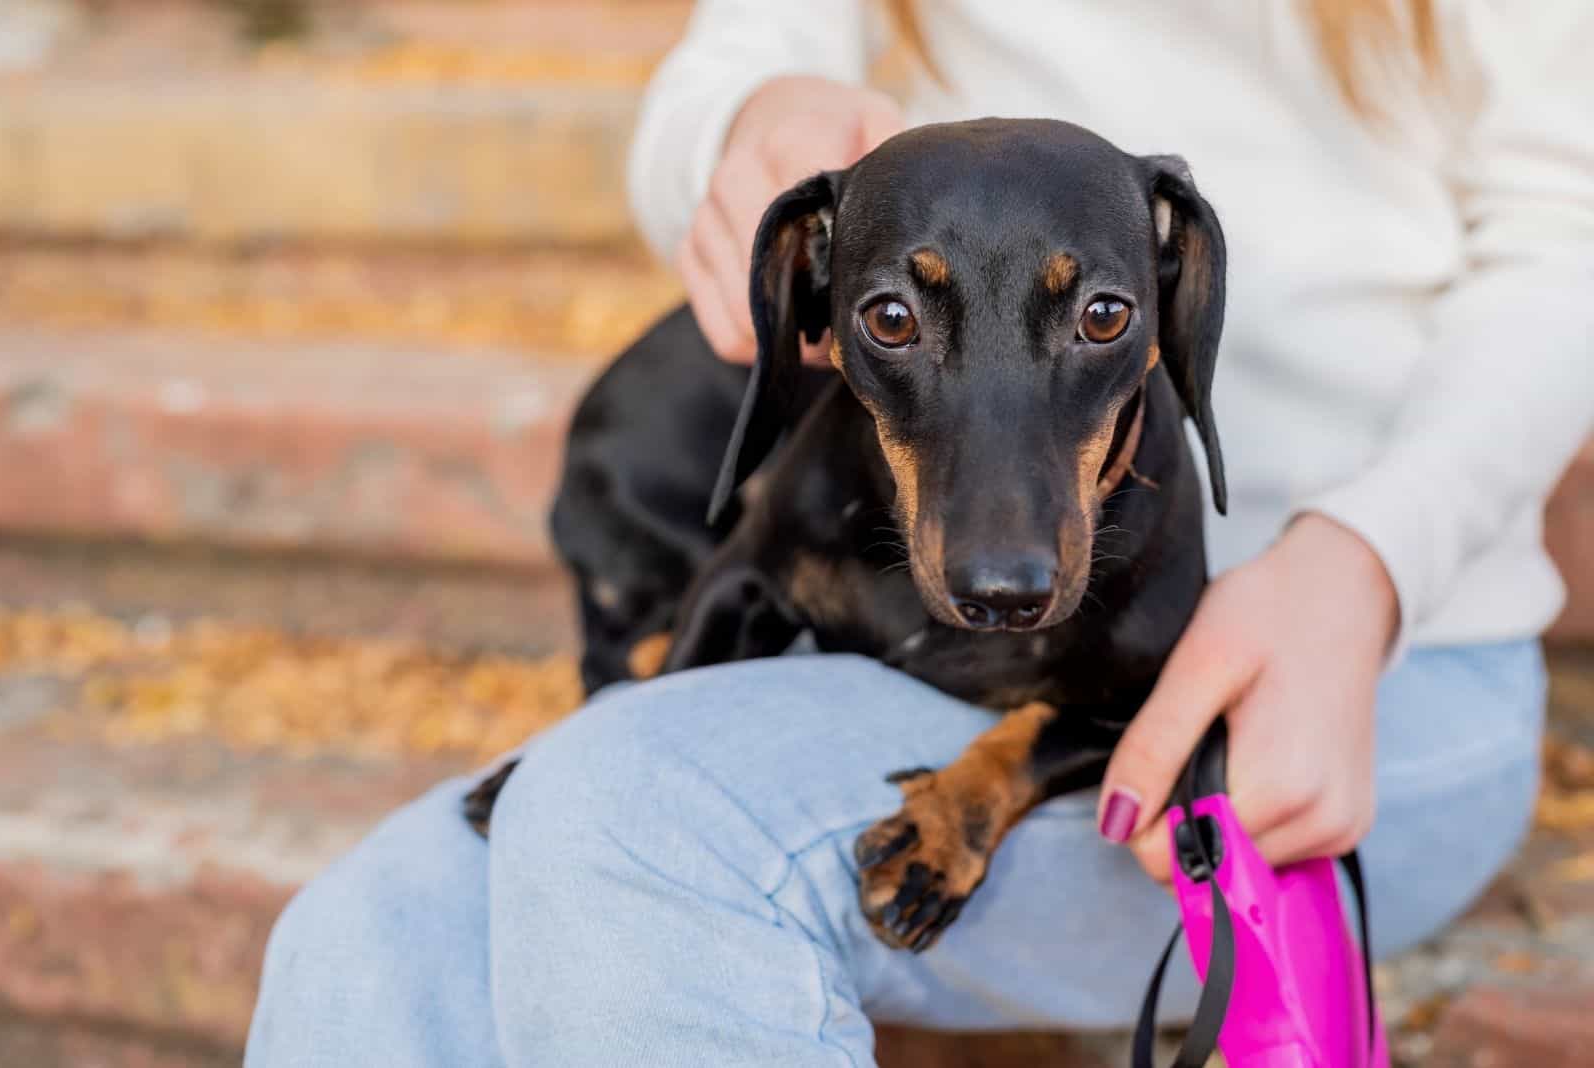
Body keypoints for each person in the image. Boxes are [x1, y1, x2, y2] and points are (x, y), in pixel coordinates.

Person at [246, 3, 1593, 1064]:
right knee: (367, 925)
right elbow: (745, 58)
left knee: (618, 822)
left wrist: (1367, 559)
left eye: (1106, 321)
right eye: (889, 320)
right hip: (899, 670)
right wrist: (746, 119)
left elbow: (1566, 233)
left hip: (1380, 669)